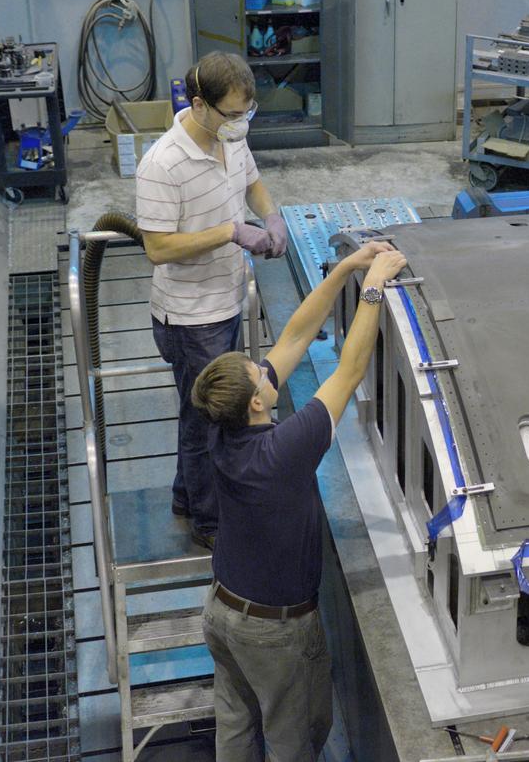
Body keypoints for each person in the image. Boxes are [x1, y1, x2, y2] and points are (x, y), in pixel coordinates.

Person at [191, 241, 406, 762]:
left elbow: (294, 336)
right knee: (295, 738)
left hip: (222, 611)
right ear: (260, 402)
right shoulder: (282, 451)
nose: (261, 365)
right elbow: (349, 371)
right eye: (254, 369)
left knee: (237, 726)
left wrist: (346, 270)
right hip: (275, 632)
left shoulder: (222, 425)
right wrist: (374, 285)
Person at [135, 51, 290, 548]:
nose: (240, 124)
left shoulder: (232, 138)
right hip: (190, 317)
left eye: (248, 113)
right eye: (231, 114)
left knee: (194, 413)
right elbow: (157, 248)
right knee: (213, 421)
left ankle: (187, 497)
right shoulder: (163, 163)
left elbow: (252, 183)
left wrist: (271, 218)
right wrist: (229, 231)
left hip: (225, 302)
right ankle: (210, 523)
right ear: (199, 105)